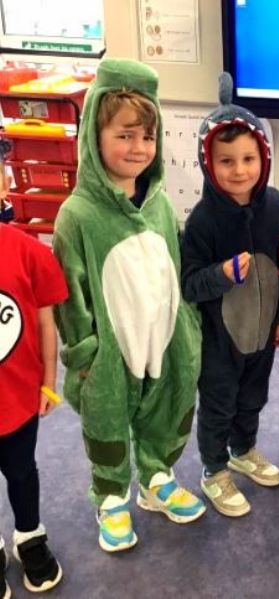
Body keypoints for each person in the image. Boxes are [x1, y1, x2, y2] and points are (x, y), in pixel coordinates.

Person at [53, 58, 204, 553]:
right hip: (110, 348)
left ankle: (156, 477)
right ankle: (111, 496)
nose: (138, 147)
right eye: (124, 135)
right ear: (94, 137)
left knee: (166, 404)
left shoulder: (159, 202)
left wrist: (186, 324)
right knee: (108, 420)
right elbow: (69, 293)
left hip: (161, 333)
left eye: (148, 136)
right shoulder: (77, 215)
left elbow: (172, 264)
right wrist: (84, 352)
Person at [181, 73, 279, 518]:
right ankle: (213, 469)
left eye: (249, 158)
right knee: (219, 403)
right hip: (219, 340)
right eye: (226, 161)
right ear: (208, 163)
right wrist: (222, 274)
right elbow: (190, 283)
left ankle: (242, 450)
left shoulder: (278, 206)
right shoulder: (202, 220)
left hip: (262, 332)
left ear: (264, 157)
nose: (239, 170)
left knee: (252, 398)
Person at [0, 146, 67, 594]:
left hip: (18, 397)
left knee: (21, 471)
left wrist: (48, 383)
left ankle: (29, 534)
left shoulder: (27, 251)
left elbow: (45, 322)